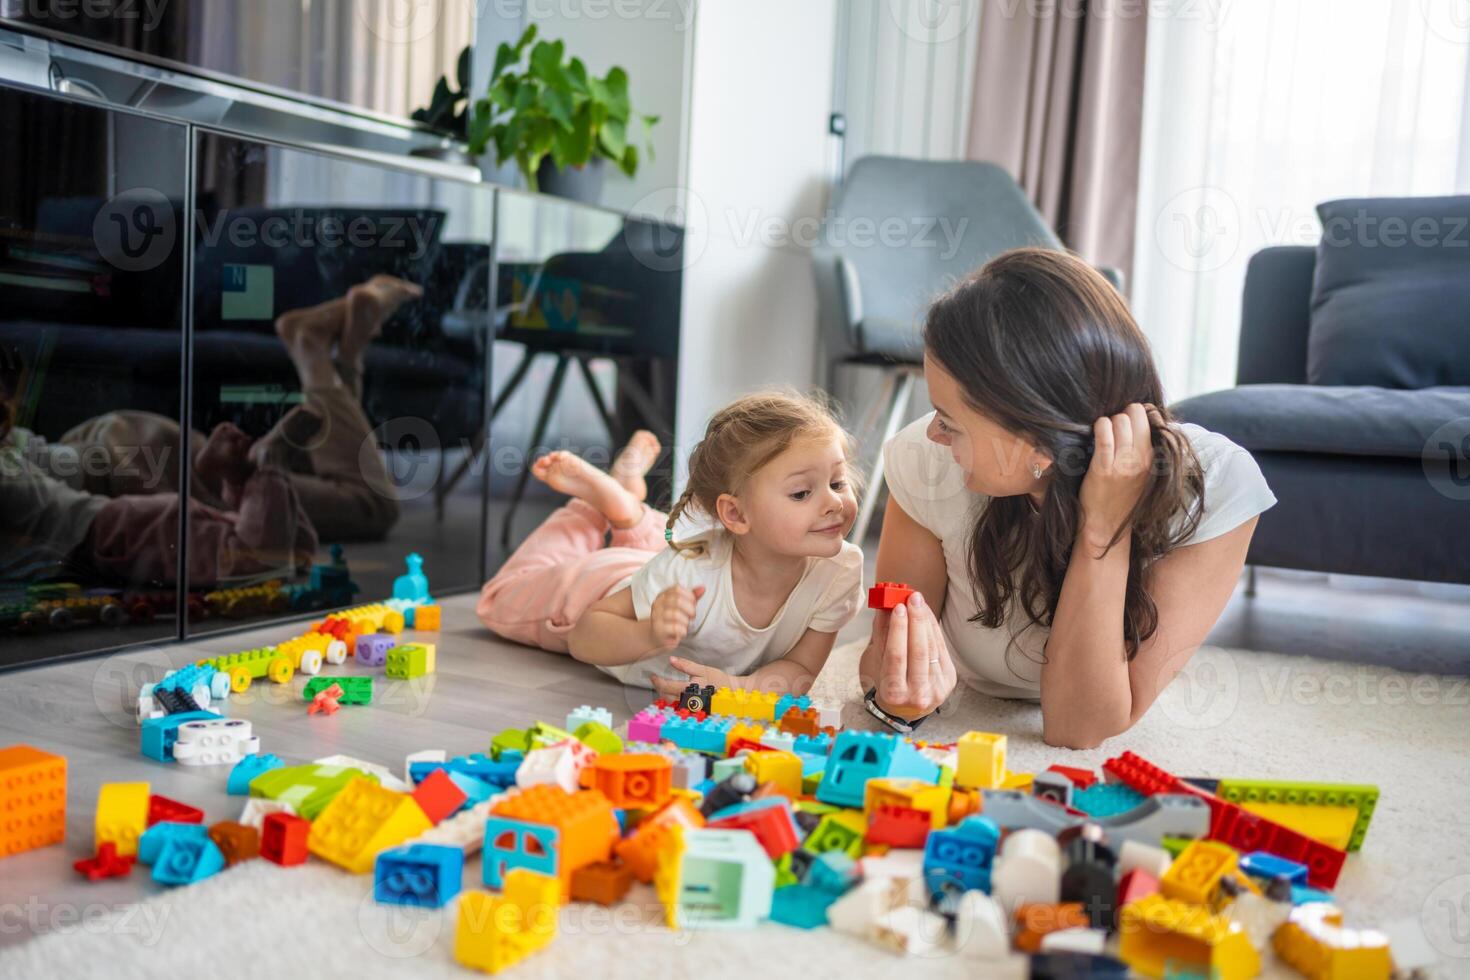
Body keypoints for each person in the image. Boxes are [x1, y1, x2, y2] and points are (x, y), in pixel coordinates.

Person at [858, 248, 1276, 748]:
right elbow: (883, 671)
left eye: (949, 421)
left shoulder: (1215, 486)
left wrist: (1103, 530)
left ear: (1036, 440)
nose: (934, 436)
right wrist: (897, 693)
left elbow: (1080, 728)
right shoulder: (926, 464)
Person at [477, 391, 865, 694]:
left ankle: (626, 504)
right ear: (736, 515)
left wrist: (738, 689)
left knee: (672, 549)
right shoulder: (689, 570)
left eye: (837, 483)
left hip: (664, 564)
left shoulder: (838, 571)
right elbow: (584, 635)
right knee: (501, 596)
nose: (833, 502)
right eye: (802, 493)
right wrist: (646, 635)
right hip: (595, 588)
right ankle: (594, 508)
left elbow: (800, 671)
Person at [54, 274, 420, 543]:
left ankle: (312, 347)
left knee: (371, 503)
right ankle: (341, 353)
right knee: (312, 461)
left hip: (134, 470)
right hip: (124, 451)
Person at [0, 343, 316, 586]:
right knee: (276, 532)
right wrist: (259, 468)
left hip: (122, 457)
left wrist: (269, 462)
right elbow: (283, 555)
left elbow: (266, 559)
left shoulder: (19, 477)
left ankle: (313, 352)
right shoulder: (21, 479)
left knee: (350, 507)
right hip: (113, 473)